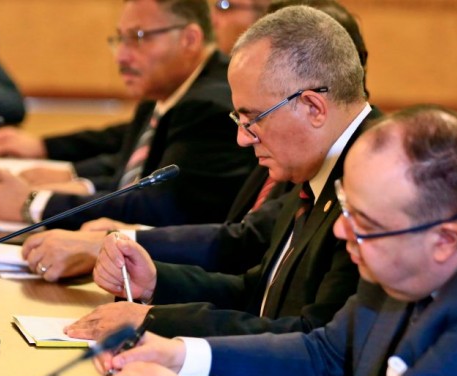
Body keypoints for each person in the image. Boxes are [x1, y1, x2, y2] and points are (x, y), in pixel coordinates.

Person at [95, 105, 457, 376]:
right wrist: (179, 356)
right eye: (346, 206)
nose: (343, 230)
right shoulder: (402, 239)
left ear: (445, 241)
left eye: (364, 222)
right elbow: (326, 355)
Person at [62, 5, 376, 340]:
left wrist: (152, 321)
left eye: (253, 118)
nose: (243, 138)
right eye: (238, 120)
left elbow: (315, 340)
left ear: (313, 107)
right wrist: (156, 282)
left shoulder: (372, 180)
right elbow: (259, 292)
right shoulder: (315, 164)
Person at [0, 0, 256, 230]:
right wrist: (74, 181)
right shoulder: (161, 93)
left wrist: (35, 202)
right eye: (120, 39)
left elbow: (158, 207)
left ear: (189, 39)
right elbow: (130, 174)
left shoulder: (211, 104)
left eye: (138, 38)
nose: (121, 56)